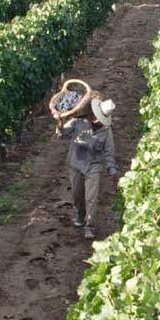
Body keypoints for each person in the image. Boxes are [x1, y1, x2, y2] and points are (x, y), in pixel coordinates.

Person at [51, 96, 118, 240]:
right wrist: (59, 122)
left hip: (93, 166)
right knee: (77, 195)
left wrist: (112, 171)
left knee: (91, 198)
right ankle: (80, 214)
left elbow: (109, 152)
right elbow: (61, 135)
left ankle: (89, 225)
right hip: (75, 163)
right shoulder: (78, 121)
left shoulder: (106, 131)